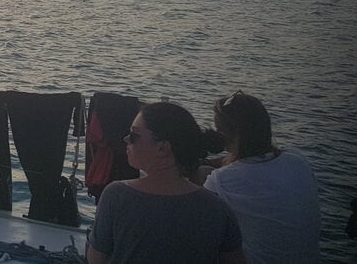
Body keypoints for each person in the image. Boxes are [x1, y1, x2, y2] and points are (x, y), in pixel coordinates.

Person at [87, 102, 244, 264]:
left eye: (134, 135)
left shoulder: (116, 196)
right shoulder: (217, 207)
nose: (126, 139)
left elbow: (96, 260)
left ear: (163, 148)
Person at [203, 91, 320, 263]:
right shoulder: (296, 159)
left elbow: (193, 214)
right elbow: (247, 161)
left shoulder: (222, 180)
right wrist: (206, 162)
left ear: (228, 134)